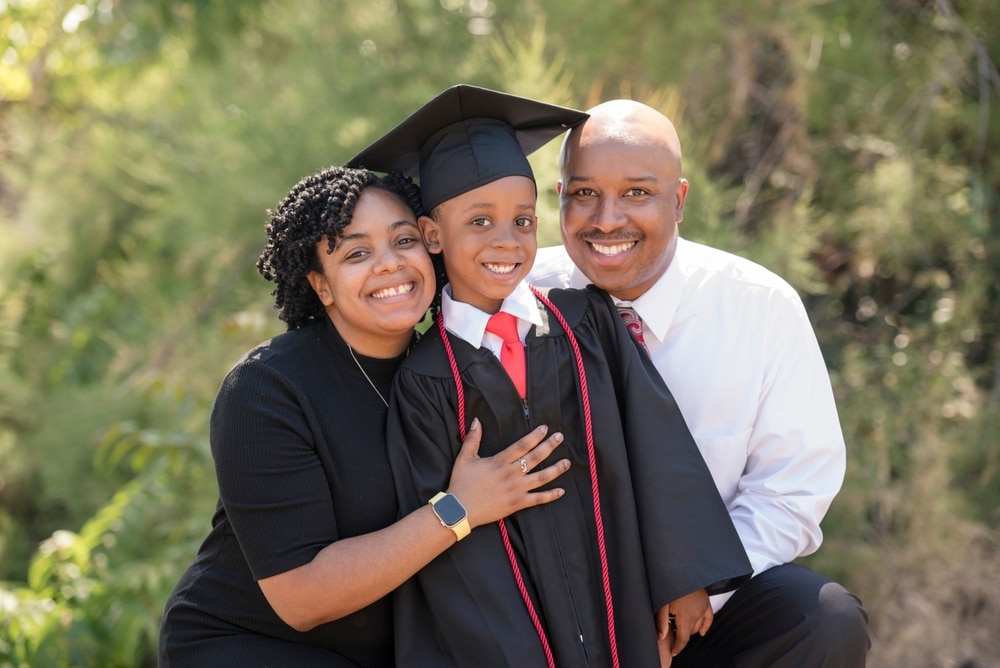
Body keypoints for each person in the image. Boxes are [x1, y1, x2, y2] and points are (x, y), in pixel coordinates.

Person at [348, 84, 752, 667]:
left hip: (623, 606)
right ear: (433, 235)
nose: (506, 241)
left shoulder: (587, 321)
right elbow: (458, 567)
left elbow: (657, 445)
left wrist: (684, 576)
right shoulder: (426, 384)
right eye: (480, 221)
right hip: (518, 638)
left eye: (522, 220)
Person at [158, 165, 572, 667]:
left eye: (404, 240)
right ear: (322, 286)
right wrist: (459, 508)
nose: (389, 265)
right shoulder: (267, 388)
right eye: (357, 253)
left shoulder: (451, 369)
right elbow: (302, 598)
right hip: (252, 646)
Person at [528, 98, 871, 666]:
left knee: (821, 617)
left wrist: (695, 579)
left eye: (637, 193)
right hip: (557, 612)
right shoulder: (519, 299)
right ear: (560, 197)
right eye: (585, 193)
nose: (608, 219)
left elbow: (791, 491)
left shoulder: (760, 309)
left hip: (703, 611)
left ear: (679, 200)